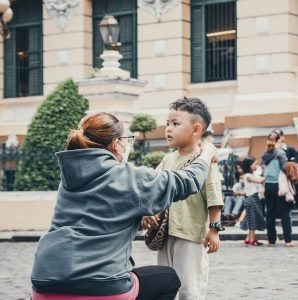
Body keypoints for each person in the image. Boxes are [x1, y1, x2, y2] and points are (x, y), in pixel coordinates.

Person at [30, 112, 218, 300]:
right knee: (168, 278)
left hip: (43, 285)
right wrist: (207, 153)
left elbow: (100, 217)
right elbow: (188, 181)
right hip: (101, 286)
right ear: (115, 143)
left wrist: (137, 215)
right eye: (126, 139)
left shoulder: (70, 177)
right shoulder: (130, 176)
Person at [142, 97, 224, 300]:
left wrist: (214, 230)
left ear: (196, 129)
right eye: (167, 124)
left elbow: (214, 200)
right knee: (166, 282)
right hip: (166, 233)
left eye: (175, 124)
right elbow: (155, 189)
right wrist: (148, 211)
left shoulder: (206, 161)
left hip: (191, 234)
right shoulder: (167, 159)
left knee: (189, 287)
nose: (168, 129)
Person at [262, 131, 294, 247]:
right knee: (284, 213)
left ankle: (271, 241)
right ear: (278, 140)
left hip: (268, 186)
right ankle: (288, 240)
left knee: (270, 214)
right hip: (279, 186)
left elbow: (264, 169)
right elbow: (285, 168)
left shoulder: (265, 154)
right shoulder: (280, 153)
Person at [240, 157, 266, 246]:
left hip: (254, 199)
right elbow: (259, 181)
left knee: (253, 219)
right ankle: (251, 240)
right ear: (249, 166)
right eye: (254, 164)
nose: (256, 165)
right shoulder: (248, 176)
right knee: (253, 220)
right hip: (252, 199)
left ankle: (250, 238)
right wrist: (267, 175)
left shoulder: (252, 174)